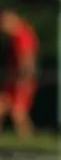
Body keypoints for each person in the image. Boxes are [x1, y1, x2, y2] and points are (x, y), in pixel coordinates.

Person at [0, 9, 39, 138]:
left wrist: (24, 79)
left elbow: (28, 59)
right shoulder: (15, 37)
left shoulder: (23, 36)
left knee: (19, 112)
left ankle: (27, 140)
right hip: (14, 78)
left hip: (22, 79)